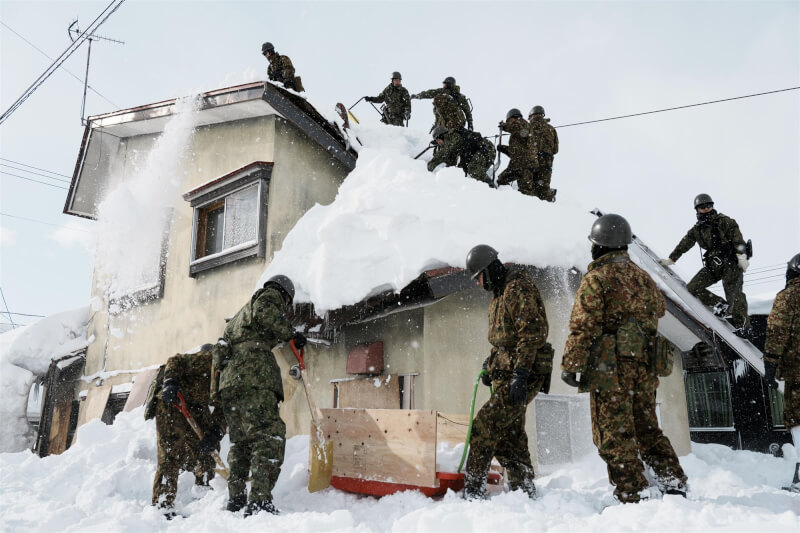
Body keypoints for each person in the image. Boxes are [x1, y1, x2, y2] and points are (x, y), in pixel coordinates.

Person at [561, 214, 688, 504]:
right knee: (647, 429)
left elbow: (583, 325)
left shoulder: (596, 278)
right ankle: (673, 483)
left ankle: (633, 492)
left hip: (611, 369)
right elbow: (658, 311)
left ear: (599, 245)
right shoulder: (644, 278)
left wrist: (571, 364)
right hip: (644, 368)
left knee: (613, 434)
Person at [462, 244, 551, 500]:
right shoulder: (500, 294)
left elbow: (531, 334)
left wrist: (521, 374)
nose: (478, 283)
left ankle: (473, 490)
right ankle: (524, 488)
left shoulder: (517, 288)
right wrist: (490, 364)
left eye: (478, 277)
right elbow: (504, 341)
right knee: (510, 435)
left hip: (522, 374)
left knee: (484, 426)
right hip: (507, 374)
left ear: (488, 270)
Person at [218, 274, 306, 516]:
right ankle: (259, 500)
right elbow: (264, 311)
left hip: (230, 384)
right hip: (254, 378)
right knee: (269, 436)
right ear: (285, 295)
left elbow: (223, 348)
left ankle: (236, 499)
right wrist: (291, 334)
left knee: (241, 442)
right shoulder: (269, 296)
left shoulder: (238, 319)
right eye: (286, 304)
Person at [659, 194, 751, 333]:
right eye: (703, 207)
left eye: (709, 205)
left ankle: (744, 327)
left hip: (731, 263)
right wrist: (671, 259)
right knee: (693, 287)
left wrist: (742, 256)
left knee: (734, 295)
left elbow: (738, 240)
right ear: (697, 209)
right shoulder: (697, 229)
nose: (707, 208)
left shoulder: (724, 221)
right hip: (713, 265)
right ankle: (719, 304)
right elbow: (685, 244)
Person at [152, 344, 226, 518]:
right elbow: (175, 360)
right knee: (170, 453)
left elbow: (224, 409)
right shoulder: (207, 360)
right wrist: (170, 382)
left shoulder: (231, 376)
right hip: (172, 400)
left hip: (197, 406)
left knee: (209, 447)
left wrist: (216, 432)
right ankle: (163, 506)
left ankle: (204, 491)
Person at [764, 253, 800, 492]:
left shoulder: (788, 296)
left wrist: (770, 363)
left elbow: (777, 332)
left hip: (797, 370)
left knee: (798, 419)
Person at [427, 126, 495, 185]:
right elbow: (452, 162)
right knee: (462, 172)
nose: (438, 143)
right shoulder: (453, 144)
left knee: (473, 169)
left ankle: (490, 186)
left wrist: (429, 167)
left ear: (442, 136)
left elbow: (443, 153)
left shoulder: (452, 137)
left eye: (438, 140)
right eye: (437, 141)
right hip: (482, 151)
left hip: (486, 148)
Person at [496, 109, 534, 195]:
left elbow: (516, 128)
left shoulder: (521, 122)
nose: (509, 123)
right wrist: (503, 148)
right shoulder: (518, 133)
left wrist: (504, 126)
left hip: (520, 163)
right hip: (525, 163)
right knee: (525, 190)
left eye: (509, 121)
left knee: (502, 179)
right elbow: (516, 152)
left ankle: (508, 196)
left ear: (512, 118)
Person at [527, 106, 559, 202]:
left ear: (532, 115)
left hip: (532, 161)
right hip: (547, 164)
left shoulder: (528, 127)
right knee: (543, 190)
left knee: (528, 188)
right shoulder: (552, 129)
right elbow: (555, 150)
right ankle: (549, 200)